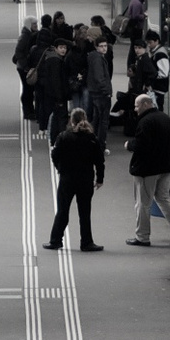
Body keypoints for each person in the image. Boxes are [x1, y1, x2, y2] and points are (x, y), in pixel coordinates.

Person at [125, 94, 170, 248]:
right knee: (164, 198)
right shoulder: (166, 119)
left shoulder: (145, 122)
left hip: (148, 170)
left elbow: (141, 145)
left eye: (137, 105)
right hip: (165, 167)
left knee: (143, 203)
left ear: (146, 104)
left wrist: (129, 145)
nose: (135, 109)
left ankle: (142, 236)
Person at [46, 108, 106, 253]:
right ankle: (86, 242)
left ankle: (55, 240)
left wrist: (60, 168)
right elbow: (99, 160)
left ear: (71, 121)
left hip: (67, 179)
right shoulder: (92, 139)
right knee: (84, 212)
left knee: (63, 210)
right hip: (85, 179)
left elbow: (55, 155)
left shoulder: (64, 137)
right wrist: (99, 179)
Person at [36, 38, 76, 141]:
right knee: (60, 119)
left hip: (50, 94)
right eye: (61, 48)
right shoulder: (56, 61)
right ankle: (59, 139)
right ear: (56, 49)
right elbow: (56, 81)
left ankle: (53, 138)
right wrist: (60, 98)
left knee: (54, 117)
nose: (63, 50)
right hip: (57, 96)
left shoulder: (51, 58)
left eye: (65, 48)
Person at [84, 38, 113, 150]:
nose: (104, 48)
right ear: (96, 47)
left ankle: (92, 141)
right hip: (101, 93)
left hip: (96, 92)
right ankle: (100, 145)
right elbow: (99, 77)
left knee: (97, 119)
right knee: (103, 121)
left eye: (105, 46)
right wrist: (106, 91)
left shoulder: (94, 57)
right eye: (101, 46)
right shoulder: (98, 59)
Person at [13, 16, 39, 121]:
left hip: (24, 66)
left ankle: (29, 111)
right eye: (34, 25)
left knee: (28, 89)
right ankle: (28, 112)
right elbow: (18, 52)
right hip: (24, 67)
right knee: (27, 89)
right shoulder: (25, 37)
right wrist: (26, 66)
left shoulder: (28, 34)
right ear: (29, 25)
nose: (36, 26)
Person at [137, 30, 170, 108]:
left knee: (157, 107)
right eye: (147, 43)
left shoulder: (160, 55)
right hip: (156, 87)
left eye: (150, 42)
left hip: (159, 87)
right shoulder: (156, 52)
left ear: (157, 41)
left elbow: (164, 73)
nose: (148, 45)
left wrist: (152, 76)